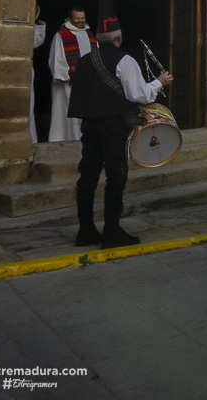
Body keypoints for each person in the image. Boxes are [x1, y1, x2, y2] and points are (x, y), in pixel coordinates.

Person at [68, 16, 172, 248]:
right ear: (119, 38)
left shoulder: (84, 62)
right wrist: (158, 82)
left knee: (87, 176)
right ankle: (112, 231)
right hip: (114, 126)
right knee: (116, 175)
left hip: (89, 125)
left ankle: (85, 231)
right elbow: (139, 95)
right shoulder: (125, 60)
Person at [49, 7, 95, 142]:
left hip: (87, 83)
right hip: (68, 83)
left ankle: (84, 139)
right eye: (77, 18)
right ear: (70, 19)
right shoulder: (61, 35)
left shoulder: (89, 34)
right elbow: (56, 59)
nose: (81, 21)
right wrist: (70, 74)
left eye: (82, 18)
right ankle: (68, 139)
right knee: (69, 114)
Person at [29, 5, 46, 143]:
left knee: (28, 108)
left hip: (27, 70)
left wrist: (34, 21)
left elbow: (36, 41)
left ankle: (31, 140)